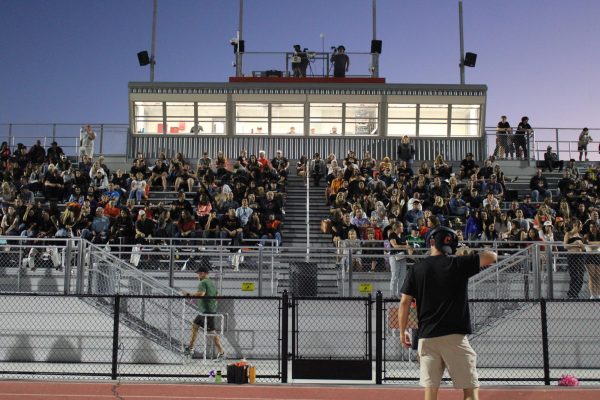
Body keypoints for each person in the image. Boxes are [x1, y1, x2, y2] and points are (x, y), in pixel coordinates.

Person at [399, 227, 497, 400]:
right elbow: (492, 256)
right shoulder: (458, 263)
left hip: (427, 337)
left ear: (431, 242)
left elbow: (405, 302)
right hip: (454, 337)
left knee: (430, 392)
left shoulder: (417, 269)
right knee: (470, 390)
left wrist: (402, 331)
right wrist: (465, 253)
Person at [183, 260, 225, 359]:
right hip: (208, 310)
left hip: (206, 311)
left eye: (199, 274)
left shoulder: (203, 282)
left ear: (203, 274)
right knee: (195, 325)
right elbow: (217, 295)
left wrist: (189, 295)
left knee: (212, 332)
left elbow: (201, 294)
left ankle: (222, 351)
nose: (198, 275)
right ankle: (191, 347)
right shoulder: (212, 283)